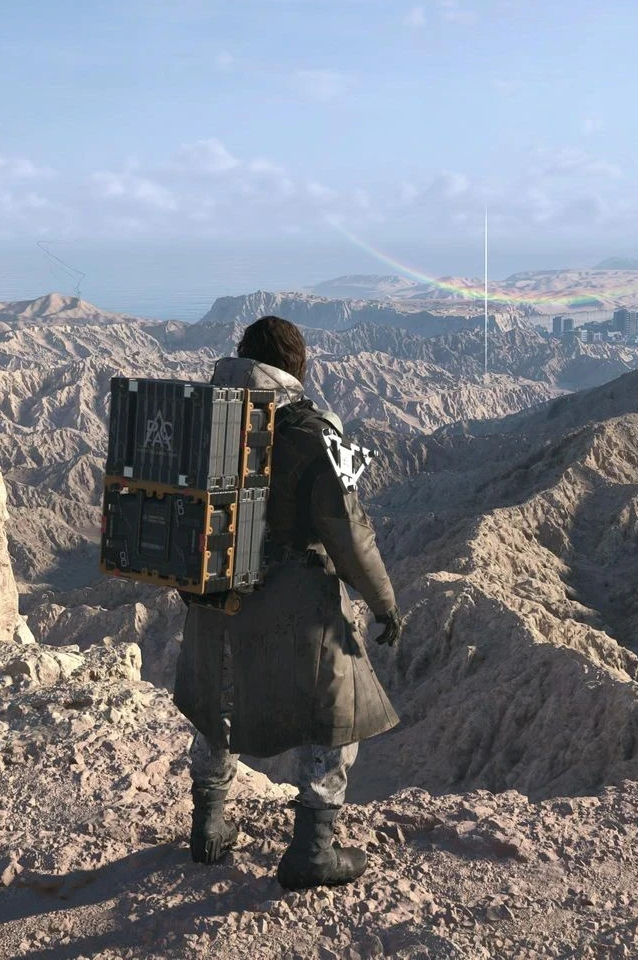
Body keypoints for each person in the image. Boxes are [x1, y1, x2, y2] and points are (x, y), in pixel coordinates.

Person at [172, 315, 405, 890]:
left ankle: (208, 827)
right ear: (297, 367)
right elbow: (347, 530)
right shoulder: (312, 430)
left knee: (217, 702)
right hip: (295, 603)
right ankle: (313, 852)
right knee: (333, 711)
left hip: (214, 592)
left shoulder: (204, 413)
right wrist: (384, 603)